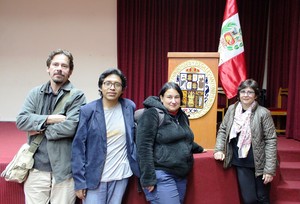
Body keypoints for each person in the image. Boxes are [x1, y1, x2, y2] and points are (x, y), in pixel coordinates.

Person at [16, 49, 86, 204]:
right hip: (36, 169)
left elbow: (72, 127)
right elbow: (21, 121)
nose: (59, 68)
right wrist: (49, 119)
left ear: (70, 71)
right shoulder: (35, 93)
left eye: (64, 65)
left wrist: (38, 127)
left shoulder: (77, 96)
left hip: (64, 172)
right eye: (55, 64)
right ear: (48, 68)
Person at [72, 68, 140, 204]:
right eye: (107, 83)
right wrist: (79, 181)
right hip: (95, 176)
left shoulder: (128, 107)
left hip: (121, 174)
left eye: (117, 84)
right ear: (101, 86)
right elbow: (78, 148)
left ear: (122, 89)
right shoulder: (88, 111)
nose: (112, 88)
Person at [136, 82, 205, 204]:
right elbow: (143, 147)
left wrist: (199, 149)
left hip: (180, 175)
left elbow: (185, 138)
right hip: (161, 174)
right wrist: (148, 178)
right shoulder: (152, 114)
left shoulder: (181, 116)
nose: (173, 101)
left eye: (177, 97)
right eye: (169, 97)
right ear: (161, 98)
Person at [214, 79, 277, 204]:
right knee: (249, 200)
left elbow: (271, 140)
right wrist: (219, 149)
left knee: (262, 198)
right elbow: (223, 130)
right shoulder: (232, 109)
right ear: (238, 94)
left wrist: (269, 169)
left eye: (250, 92)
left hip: (260, 162)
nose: (246, 95)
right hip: (241, 161)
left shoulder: (263, 113)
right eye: (243, 91)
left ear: (256, 95)